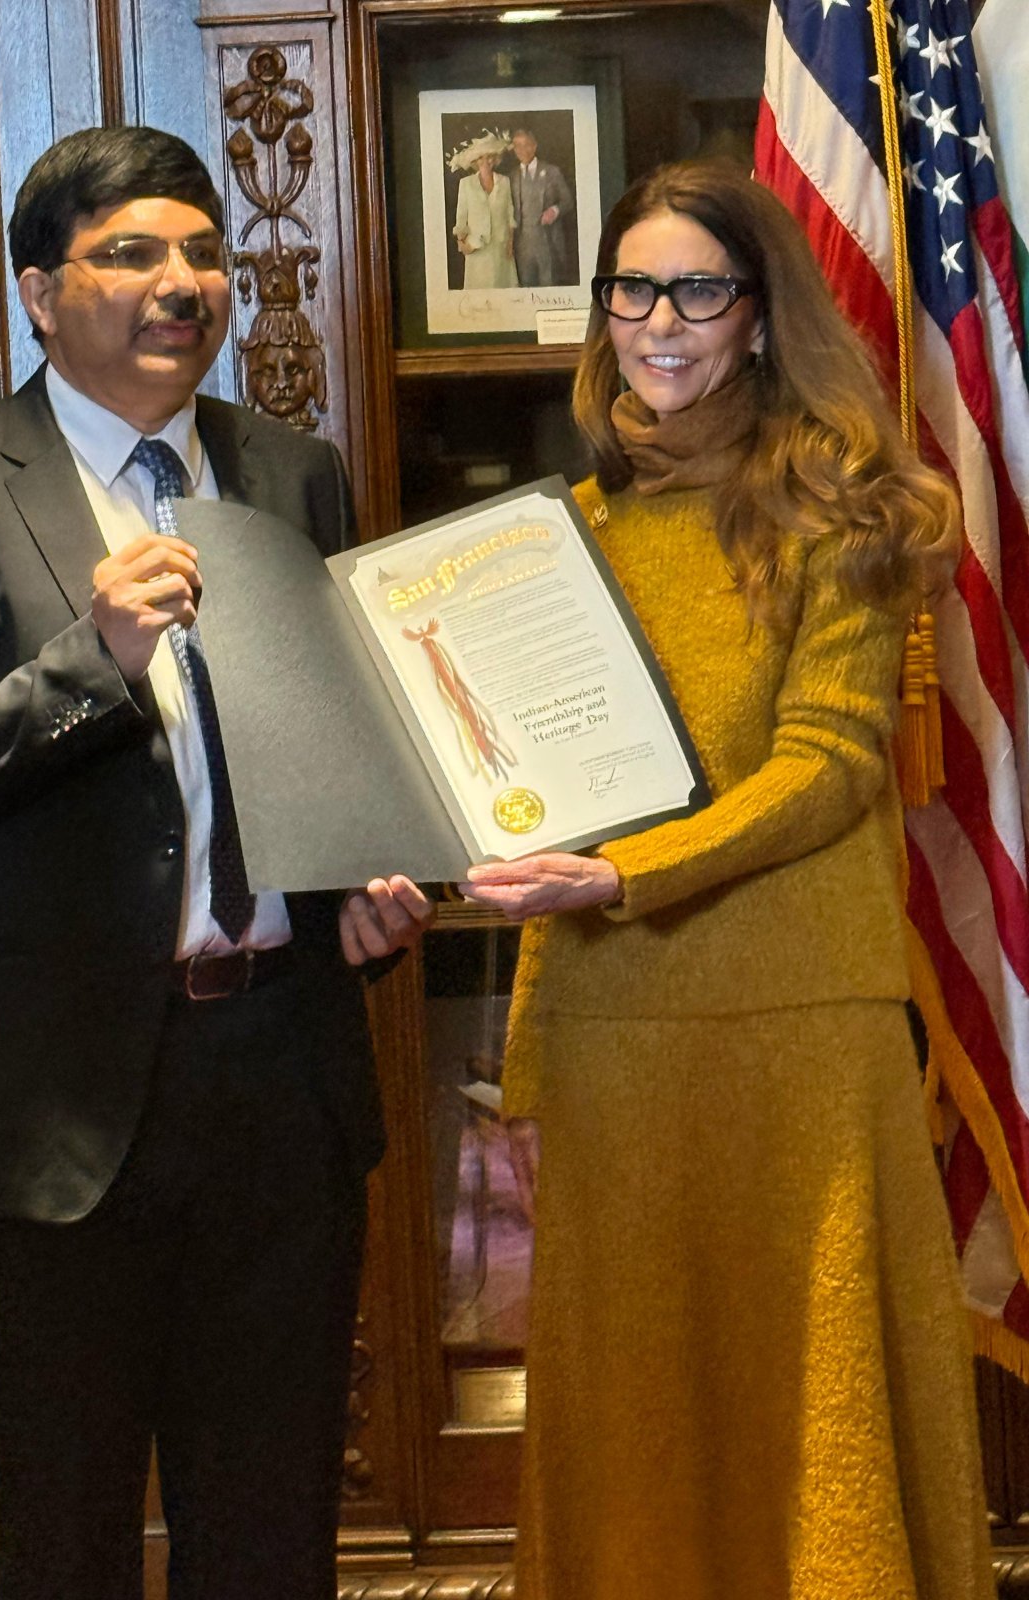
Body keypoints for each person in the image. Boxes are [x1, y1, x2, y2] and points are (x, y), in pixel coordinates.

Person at [0, 125, 433, 1600]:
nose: (183, 284)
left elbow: (332, 732)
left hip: (281, 1075)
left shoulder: (291, 471)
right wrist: (88, 660)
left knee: (271, 1523)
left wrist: (364, 881)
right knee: (69, 1526)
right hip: (56, 1099)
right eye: (131, 254)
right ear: (41, 294)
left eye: (205, 253)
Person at [463, 160, 995, 1600]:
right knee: (635, 1417)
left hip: (797, 1031)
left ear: (762, 314)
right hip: (613, 1033)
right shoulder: (557, 540)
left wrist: (615, 877)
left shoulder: (858, 514)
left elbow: (830, 766)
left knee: (815, 1424)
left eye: (698, 290)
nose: (660, 321)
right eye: (632, 289)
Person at [450, 132, 517, 291]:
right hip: (476, 248)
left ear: (495, 158)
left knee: (503, 292)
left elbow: (510, 214)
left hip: (500, 249)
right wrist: (462, 244)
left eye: (489, 157)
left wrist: (510, 243)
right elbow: (461, 218)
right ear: (475, 161)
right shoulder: (466, 184)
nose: (486, 161)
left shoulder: (504, 181)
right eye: (481, 157)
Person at [510, 127, 573, 288]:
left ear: (534, 146)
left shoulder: (552, 171)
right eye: (517, 146)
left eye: (526, 145)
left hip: (548, 242)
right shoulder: (512, 177)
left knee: (549, 287)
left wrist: (554, 210)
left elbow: (568, 201)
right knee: (526, 289)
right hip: (522, 245)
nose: (522, 150)